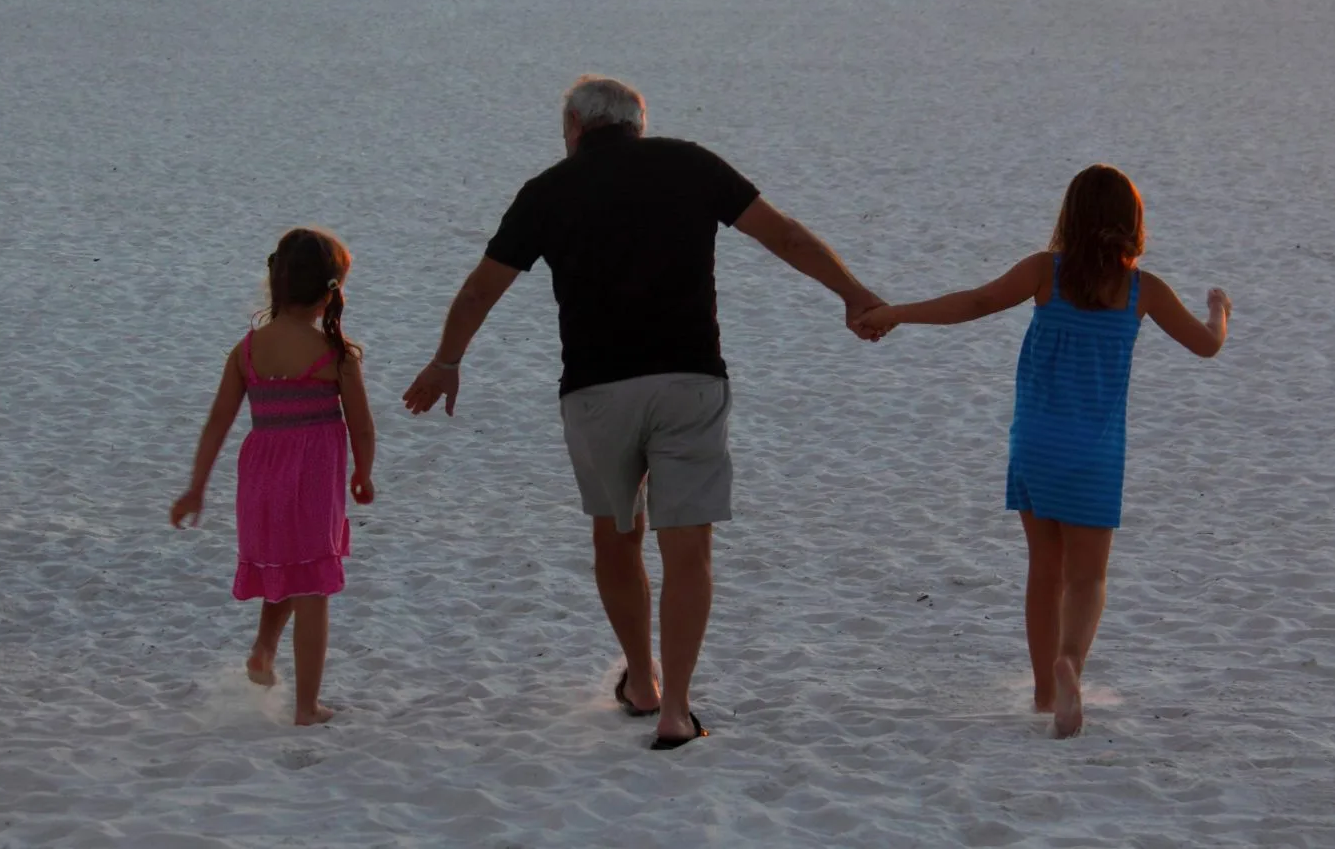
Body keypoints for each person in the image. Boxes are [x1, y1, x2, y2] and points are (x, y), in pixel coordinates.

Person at [401, 76, 883, 751]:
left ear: (574, 123)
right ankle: (676, 708)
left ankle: (644, 681)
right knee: (688, 545)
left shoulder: (547, 190)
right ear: (639, 123)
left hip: (596, 392)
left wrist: (447, 360)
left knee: (617, 535)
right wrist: (852, 292)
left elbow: (484, 286)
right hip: (689, 380)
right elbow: (787, 236)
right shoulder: (688, 162)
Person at [856, 165, 1230, 739]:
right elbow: (1206, 347)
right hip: (1095, 455)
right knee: (1088, 579)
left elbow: (975, 303)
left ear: (1069, 217)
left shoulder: (1044, 274)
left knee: (1044, 573)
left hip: (1036, 443)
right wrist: (1219, 313)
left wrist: (898, 312)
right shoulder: (1142, 290)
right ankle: (1070, 667)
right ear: (1132, 224)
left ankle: (1041, 692)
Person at [171, 228, 377, 727]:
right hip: (311, 483)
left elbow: (218, 421)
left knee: (286, 566)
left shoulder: (246, 351)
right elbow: (362, 425)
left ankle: (264, 647)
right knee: (312, 588)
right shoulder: (336, 354)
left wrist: (196, 485)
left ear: (275, 285)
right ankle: (307, 706)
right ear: (331, 290)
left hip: (261, 481)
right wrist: (363, 472)